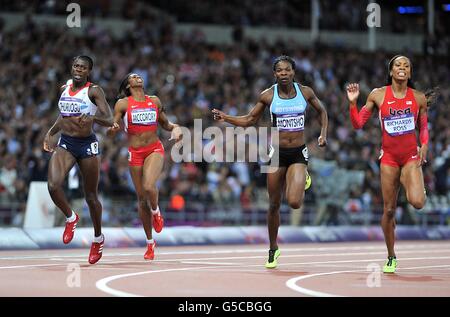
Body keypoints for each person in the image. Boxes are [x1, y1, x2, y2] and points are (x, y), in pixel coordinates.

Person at [212, 55, 328, 268]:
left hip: (297, 152)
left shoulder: (305, 92)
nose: (283, 73)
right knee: (273, 205)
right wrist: (225, 117)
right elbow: (249, 120)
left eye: (287, 70)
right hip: (276, 153)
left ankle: (303, 176)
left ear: (293, 72)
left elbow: (322, 111)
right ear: (274, 74)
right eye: (279, 71)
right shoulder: (267, 95)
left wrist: (323, 134)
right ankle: (273, 248)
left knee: (294, 202)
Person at [346, 55, 431, 273]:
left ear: (410, 73)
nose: (402, 68)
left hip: (411, 156)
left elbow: (423, 127)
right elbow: (357, 124)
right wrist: (353, 103)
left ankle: (415, 184)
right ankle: (391, 256)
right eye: (398, 66)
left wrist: (424, 144)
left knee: (418, 203)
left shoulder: (419, 98)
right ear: (391, 71)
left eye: (406, 66)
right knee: (389, 210)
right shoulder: (378, 94)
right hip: (389, 159)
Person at [43, 55, 114, 264]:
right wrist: (50, 132)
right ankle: (71, 217)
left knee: (91, 197)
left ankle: (98, 238)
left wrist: (93, 118)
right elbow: (63, 115)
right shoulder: (65, 88)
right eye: (76, 65)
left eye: (83, 67)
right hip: (66, 143)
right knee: (53, 185)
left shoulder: (94, 90)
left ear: (88, 71)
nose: (78, 69)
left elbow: (110, 119)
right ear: (72, 67)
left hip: (86, 145)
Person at [107, 73, 182, 260]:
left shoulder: (154, 100)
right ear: (128, 85)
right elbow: (112, 127)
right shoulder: (123, 104)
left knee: (149, 186)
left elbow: (165, 123)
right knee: (141, 200)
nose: (137, 77)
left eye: (138, 75)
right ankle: (150, 243)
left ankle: (156, 212)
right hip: (135, 153)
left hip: (154, 149)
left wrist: (176, 128)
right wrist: (112, 130)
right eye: (133, 76)